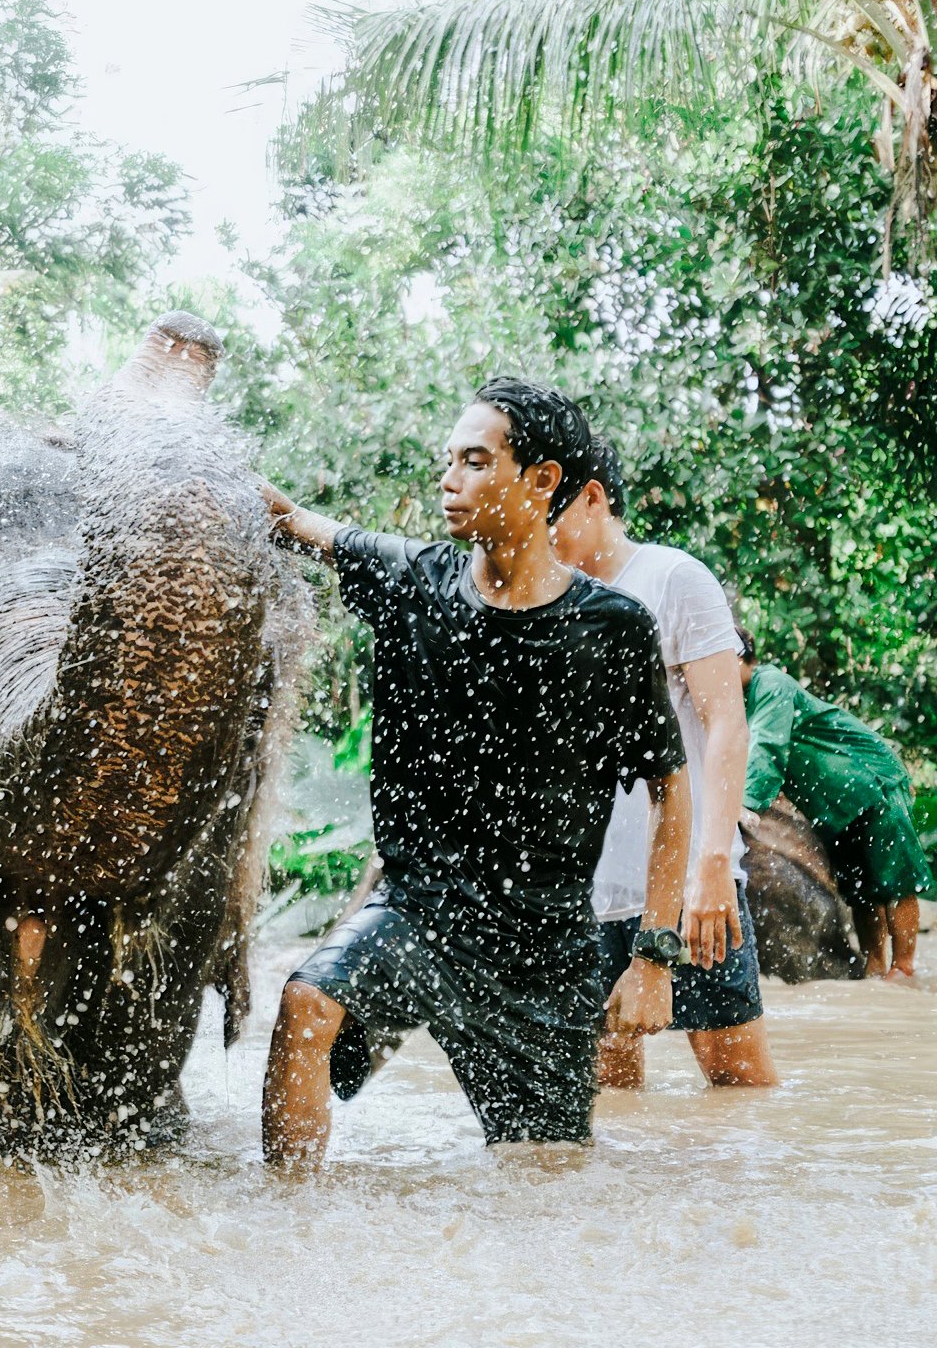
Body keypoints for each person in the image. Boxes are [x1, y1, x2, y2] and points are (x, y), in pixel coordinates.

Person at [258, 378, 693, 1166]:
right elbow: (293, 521)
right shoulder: (415, 581)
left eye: (474, 460)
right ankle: (292, 1233)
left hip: (545, 955)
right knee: (305, 1003)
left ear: (541, 481)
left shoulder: (613, 629)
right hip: (419, 915)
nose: (448, 479)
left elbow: (671, 787)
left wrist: (653, 956)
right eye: (447, 460)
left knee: (544, 1185)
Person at [550, 440, 775, 1088]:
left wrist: (713, 867)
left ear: (594, 496)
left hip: (687, 890)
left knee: (738, 1085)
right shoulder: (549, 596)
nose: (537, 534)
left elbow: (727, 726)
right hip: (588, 898)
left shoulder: (674, 578)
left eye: (550, 516)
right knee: (612, 1103)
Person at [740, 633, 931, 978]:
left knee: (894, 880)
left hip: (871, 783)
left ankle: (904, 969)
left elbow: (768, 749)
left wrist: (746, 806)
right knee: (859, 889)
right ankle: (875, 967)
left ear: (738, 656)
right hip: (834, 804)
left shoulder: (770, 684)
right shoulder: (735, 701)